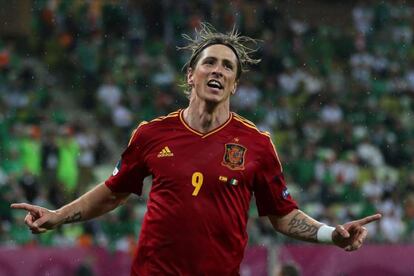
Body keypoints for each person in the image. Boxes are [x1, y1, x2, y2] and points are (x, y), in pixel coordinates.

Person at [11, 23, 381, 276]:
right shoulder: (152, 134)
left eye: (228, 67)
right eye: (210, 63)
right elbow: (113, 193)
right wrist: (58, 216)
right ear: (191, 74)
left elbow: (282, 215)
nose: (218, 71)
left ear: (235, 84)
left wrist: (332, 234)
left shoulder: (257, 145)